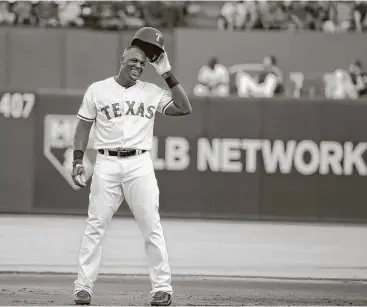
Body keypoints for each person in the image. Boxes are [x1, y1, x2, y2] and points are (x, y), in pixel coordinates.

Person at [71, 27, 192, 306]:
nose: (138, 65)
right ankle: (83, 287)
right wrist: (78, 159)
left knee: (152, 226)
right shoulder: (98, 89)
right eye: (133, 60)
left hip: (139, 164)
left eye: (143, 63)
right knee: (95, 225)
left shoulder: (151, 91)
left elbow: (184, 107)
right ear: (122, 58)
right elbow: (83, 126)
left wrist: (167, 73)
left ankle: (162, 288)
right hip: (107, 163)